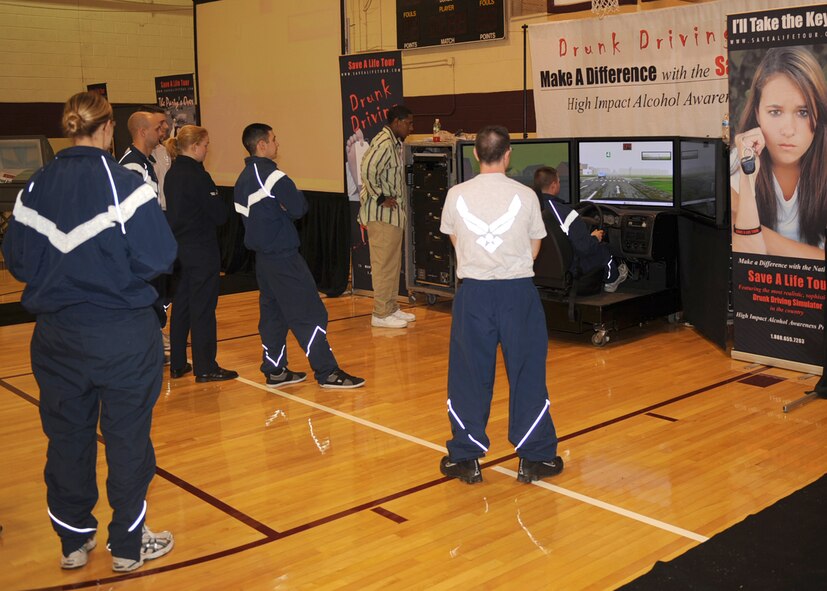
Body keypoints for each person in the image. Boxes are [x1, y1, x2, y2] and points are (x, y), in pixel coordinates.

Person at [1, 91, 176, 572]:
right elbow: (159, 256)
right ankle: (127, 545)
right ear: (109, 128)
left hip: (57, 338)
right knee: (127, 440)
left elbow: (16, 261)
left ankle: (74, 542)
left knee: (67, 438)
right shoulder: (126, 183)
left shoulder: (34, 188)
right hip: (120, 334)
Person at [438, 125, 563, 484]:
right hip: (517, 294)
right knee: (527, 373)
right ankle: (535, 457)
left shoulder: (455, 195)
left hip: (473, 294)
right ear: (508, 155)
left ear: (476, 154)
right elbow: (535, 247)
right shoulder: (526, 196)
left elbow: (455, 239)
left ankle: (465, 457)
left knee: (468, 375)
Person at [233, 123, 365, 389]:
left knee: (273, 316)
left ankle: (275, 369)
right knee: (310, 312)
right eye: (273, 139)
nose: (277, 144)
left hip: (264, 260)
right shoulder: (271, 175)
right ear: (261, 145)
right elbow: (298, 206)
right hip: (283, 258)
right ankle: (327, 372)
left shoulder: (242, 178)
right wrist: (284, 207)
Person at [732, 46, 827, 260]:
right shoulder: (736, 163)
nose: (788, 130)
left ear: (818, 112)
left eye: (803, 112)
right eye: (775, 112)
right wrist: (748, 180)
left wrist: (760, 235)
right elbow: (748, 257)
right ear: (757, 112)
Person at [164, 125, 237, 382]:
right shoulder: (197, 175)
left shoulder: (172, 173)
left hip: (180, 248)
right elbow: (219, 214)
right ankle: (205, 366)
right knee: (203, 308)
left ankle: (178, 363)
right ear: (195, 147)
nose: (207, 150)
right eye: (205, 145)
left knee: (182, 304)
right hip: (201, 250)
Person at [359, 104, 417, 328]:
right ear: (397, 122)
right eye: (409, 123)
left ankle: (391, 307)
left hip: (393, 216)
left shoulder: (394, 143)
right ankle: (380, 313)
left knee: (392, 264)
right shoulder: (383, 142)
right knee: (383, 265)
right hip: (381, 215)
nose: (411, 127)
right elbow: (366, 168)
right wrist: (381, 197)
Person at [533, 166, 627, 293]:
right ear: (554, 185)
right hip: (570, 268)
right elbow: (584, 248)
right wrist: (594, 237)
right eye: (559, 181)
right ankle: (612, 281)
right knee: (603, 249)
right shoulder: (566, 213)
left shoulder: (530, 207)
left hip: (539, 270)